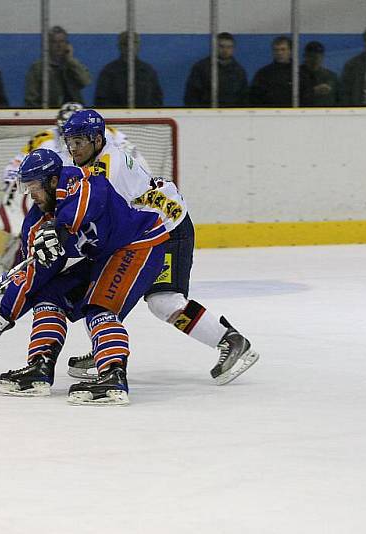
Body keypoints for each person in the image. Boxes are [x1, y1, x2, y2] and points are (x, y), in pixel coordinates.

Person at [58, 110, 259, 386]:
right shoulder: (101, 158)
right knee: (101, 290)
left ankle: (231, 341)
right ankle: (106, 348)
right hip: (143, 231)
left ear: (96, 139)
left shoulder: (108, 169)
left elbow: (100, 217)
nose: (73, 149)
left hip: (168, 229)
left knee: (163, 302)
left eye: (79, 141)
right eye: (69, 142)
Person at [0, 148, 170, 405]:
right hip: (103, 257)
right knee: (48, 295)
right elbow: (32, 275)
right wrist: (0, 317)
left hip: (139, 244)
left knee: (99, 308)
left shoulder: (79, 181)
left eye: (34, 187)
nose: (31, 195)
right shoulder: (36, 223)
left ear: (53, 181)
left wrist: (60, 227)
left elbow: (92, 198)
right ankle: (39, 367)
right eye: (26, 188)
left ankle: (112, 376)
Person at [0, 103, 149, 274]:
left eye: (78, 140)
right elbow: (16, 166)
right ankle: (14, 267)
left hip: (101, 201)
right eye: (68, 138)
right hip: (60, 192)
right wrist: (15, 184)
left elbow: (135, 162)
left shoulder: (110, 139)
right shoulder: (44, 139)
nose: (72, 147)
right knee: (27, 220)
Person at [24, 26, 91, 108]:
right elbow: (31, 99)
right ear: (48, 45)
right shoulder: (38, 68)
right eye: (54, 42)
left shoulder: (71, 65)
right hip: (50, 113)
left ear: (67, 44)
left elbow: (85, 81)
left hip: (74, 112)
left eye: (62, 41)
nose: (59, 45)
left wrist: (71, 60)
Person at [94, 31, 163, 107]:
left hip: (145, 116)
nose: (130, 47)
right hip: (117, 117)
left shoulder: (147, 70)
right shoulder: (109, 71)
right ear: (119, 46)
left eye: (134, 43)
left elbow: (157, 98)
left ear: (139, 46)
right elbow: (101, 101)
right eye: (125, 44)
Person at [184, 32, 249, 107]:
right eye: (221, 46)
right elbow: (192, 95)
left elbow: (244, 97)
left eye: (229, 47)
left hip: (231, 114)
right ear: (214, 47)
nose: (225, 50)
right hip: (206, 113)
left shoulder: (239, 71)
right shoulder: (201, 68)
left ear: (233, 49)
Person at [249, 35, 294, 107]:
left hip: (294, 115)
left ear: (290, 51)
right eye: (276, 50)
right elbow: (254, 98)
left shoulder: (298, 73)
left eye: (283, 49)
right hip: (269, 115)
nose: (279, 53)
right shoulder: (263, 74)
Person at [299, 41, 340, 106]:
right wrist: (313, 92)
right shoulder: (297, 75)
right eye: (311, 56)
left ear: (323, 57)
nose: (315, 60)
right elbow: (292, 99)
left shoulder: (331, 77)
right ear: (305, 57)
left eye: (318, 56)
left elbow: (339, 99)